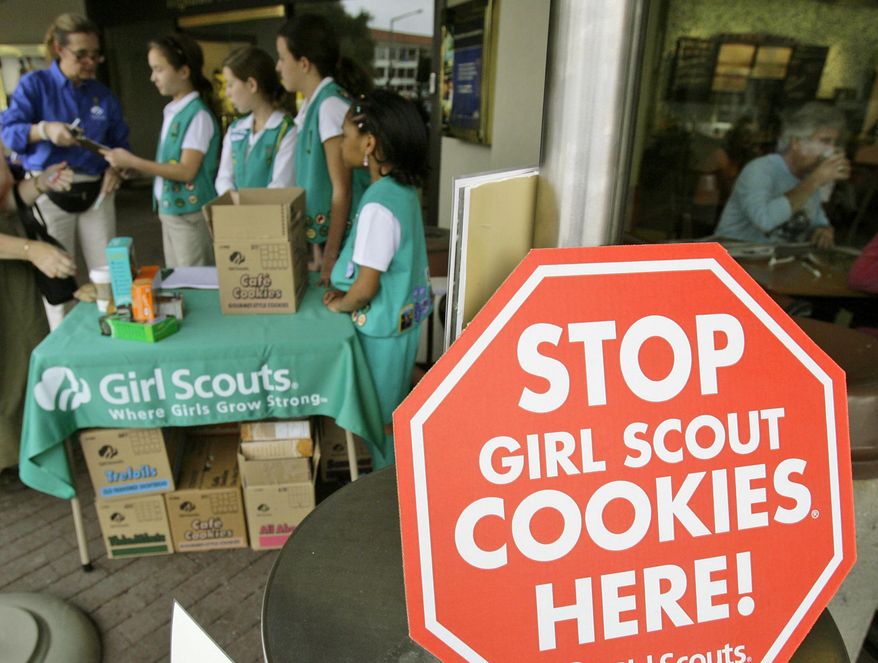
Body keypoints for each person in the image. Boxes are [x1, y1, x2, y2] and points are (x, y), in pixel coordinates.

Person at [322, 90, 432, 468]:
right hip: (404, 321)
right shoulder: (402, 191)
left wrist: (342, 304)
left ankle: (392, 494)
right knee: (397, 397)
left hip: (381, 331)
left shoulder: (377, 205)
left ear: (369, 143)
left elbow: (366, 287)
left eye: (345, 134)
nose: (340, 144)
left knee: (382, 418)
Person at [1, 13, 129, 328]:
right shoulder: (36, 85)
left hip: (96, 188)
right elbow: (9, 132)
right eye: (81, 54)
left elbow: (119, 143)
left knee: (109, 271)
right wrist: (44, 130)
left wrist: (118, 169)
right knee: (58, 274)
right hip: (49, 188)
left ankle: (116, 328)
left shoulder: (102, 93)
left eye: (95, 54)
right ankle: (63, 344)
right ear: (59, 48)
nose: (90, 62)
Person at [103, 33, 219, 267]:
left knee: (193, 282)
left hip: (190, 215)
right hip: (173, 214)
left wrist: (134, 162)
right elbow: (171, 166)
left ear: (184, 72)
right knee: (180, 281)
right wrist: (138, 171)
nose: (152, 77)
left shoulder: (197, 115)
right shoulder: (175, 111)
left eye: (158, 69)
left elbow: (186, 171)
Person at [276, 14, 372, 283]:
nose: (278, 67)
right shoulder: (316, 105)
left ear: (304, 63)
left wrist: (329, 258)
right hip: (331, 244)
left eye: (282, 58)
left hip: (345, 247)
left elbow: (342, 189)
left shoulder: (329, 107)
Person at [0, 143, 75, 472]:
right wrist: (32, 250)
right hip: (15, 252)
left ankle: (23, 448)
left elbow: (5, 202)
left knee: (22, 349)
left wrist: (41, 183)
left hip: (11, 266)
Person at [715, 103, 849, 247]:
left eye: (834, 143)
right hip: (736, 259)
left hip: (780, 261)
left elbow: (818, 221)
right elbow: (765, 221)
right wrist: (815, 180)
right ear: (796, 142)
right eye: (825, 141)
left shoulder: (808, 176)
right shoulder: (761, 169)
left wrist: (824, 230)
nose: (832, 149)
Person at [214, 46, 296, 196]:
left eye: (231, 84)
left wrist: (244, 205)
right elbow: (223, 178)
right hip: (237, 216)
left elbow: (281, 186)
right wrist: (233, 197)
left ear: (252, 84)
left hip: (270, 217)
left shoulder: (287, 131)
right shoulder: (235, 130)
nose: (227, 93)